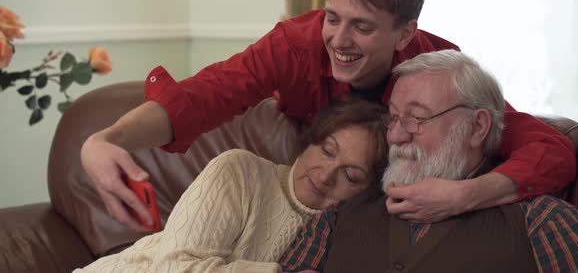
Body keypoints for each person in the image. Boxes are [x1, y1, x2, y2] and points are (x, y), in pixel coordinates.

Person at [80, 0, 575, 267]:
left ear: (403, 34)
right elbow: (202, 96)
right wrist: (107, 140)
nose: (338, 39)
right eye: (332, 18)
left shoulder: (436, 73)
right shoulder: (296, 45)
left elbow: (547, 145)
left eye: (361, 26)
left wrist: (466, 194)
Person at [323, 50, 578, 273]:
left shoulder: (543, 221)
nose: (395, 136)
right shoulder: (338, 213)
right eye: (393, 117)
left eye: (417, 118)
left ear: (477, 128)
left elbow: (552, 150)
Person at [75, 99, 388, 273]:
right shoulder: (240, 171)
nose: (325, 175)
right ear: (309, 143)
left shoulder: (336, 235)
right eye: (327, 150)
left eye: (351, 176)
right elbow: (174, 268)